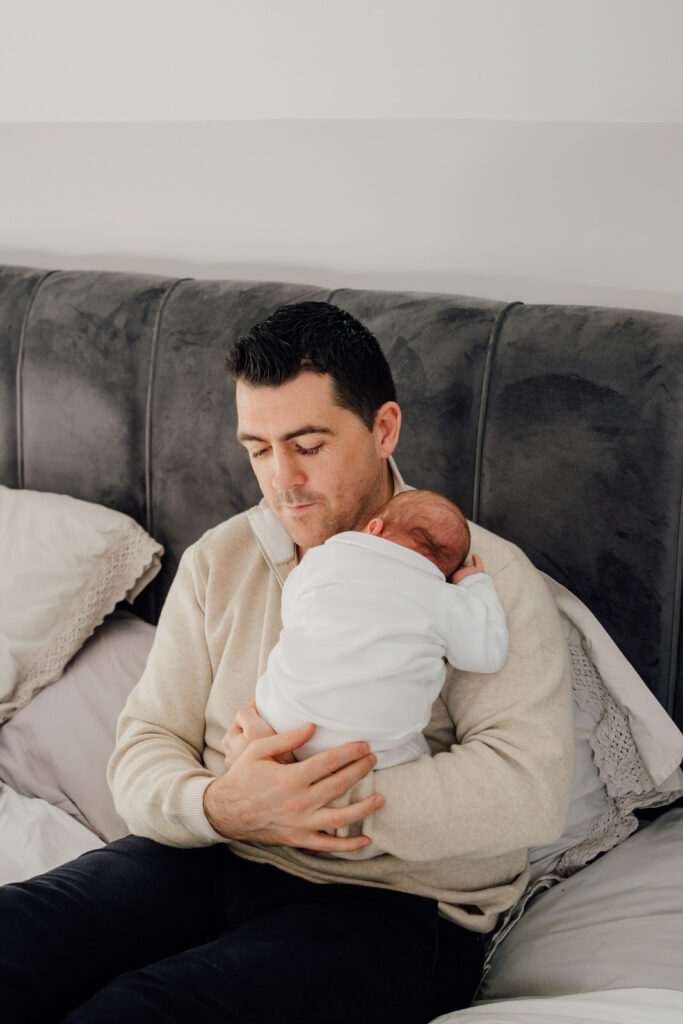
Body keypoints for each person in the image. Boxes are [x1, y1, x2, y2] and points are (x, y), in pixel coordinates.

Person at [0, 302, 574, 1024]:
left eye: (307, 443)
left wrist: (304, 803)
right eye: (259, 448)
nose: (282, 480)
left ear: (383, 428)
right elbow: (144, 746)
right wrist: (220, 805)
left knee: (141, 1012)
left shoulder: (474, 580)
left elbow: (528, 787)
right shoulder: (222, 559)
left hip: (390, 905)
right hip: (209, 852)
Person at [255, 489, 509, 770]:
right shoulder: (444, 599)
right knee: (415, 756)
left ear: (374, 528)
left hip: (282, 720)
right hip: (369, 745)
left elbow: (291, 612)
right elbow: (487, 655)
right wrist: (474, 585)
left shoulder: (322, 558)